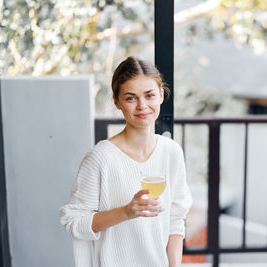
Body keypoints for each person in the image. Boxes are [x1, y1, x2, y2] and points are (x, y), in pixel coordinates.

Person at [59, 56, 192, 267]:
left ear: (160, 95)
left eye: (149, 95)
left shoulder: (171, 152)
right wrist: (126, 212)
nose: (142, 106)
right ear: (117, 101)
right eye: (131, 98)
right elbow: (73, 221)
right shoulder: (100, 158)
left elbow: (176, 219)